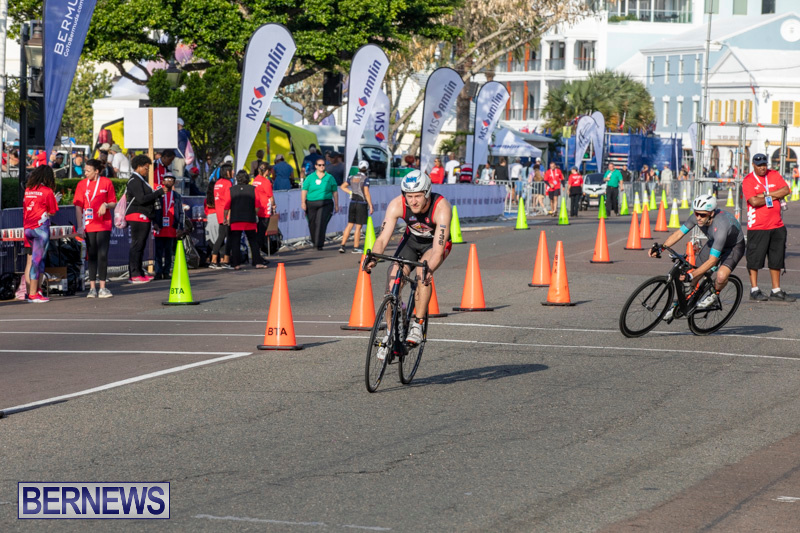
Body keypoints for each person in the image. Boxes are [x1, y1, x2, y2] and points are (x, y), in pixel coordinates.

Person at [364, 171, 452, 347]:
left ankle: (418, 324)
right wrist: (373, 257)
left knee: (422, 271)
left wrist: (430, 269)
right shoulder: (397, 204)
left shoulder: (441, 208)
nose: (413, 201)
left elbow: (437, 250)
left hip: (434, 245)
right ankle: (390, 333)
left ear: (427, 193)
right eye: (409, 196)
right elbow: (382, 239)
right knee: (392, 281)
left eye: (418, 196)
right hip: (411, 242)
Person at [651, 194, 746, 321]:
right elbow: (679, 233)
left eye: (702, 215)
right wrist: (661, 247)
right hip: (714, 242)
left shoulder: (721, 226)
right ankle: (678, 305)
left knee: (721, 276)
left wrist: (692, 275)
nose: (698, 218)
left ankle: (714, 294)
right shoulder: (696, 217)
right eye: (696, 213)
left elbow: (712, 261)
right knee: (692, 277)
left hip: (733, 247)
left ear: (711, 214)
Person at [742, 153, 795, 302]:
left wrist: (764, 194)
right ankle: (754, 289)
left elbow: (786, 190)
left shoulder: (774, 174)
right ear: (753, 165)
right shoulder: (748, 180)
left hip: (777, 225)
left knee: (776, 258)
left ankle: (776, 290)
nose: (762, 168)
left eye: (764, 165)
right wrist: (774, 195)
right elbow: (754, 201)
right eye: (759, 165)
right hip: (758, 226)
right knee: (754, 259)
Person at [74, 159, 117, 297]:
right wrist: (80, 226)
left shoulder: (106, 182)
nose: (85, 173)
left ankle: (102, 287)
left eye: (88, 171)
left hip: (104, 224)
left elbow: (113, 202)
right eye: (85, 170)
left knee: (103, 254)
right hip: (88, 224)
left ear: (96, 171)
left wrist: (106, 205)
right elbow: (78, 207)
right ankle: (92, 288)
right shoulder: (81, 184)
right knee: (92, 255)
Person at [125, 155, 164, 283]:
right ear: (139, 167)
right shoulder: (135, 180)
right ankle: (134, 274)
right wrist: (158, 193)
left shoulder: (140, 180)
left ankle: (139, 272)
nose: (147, 171)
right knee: (137, 245)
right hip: (137, 215)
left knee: (140, 246)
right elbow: (141, 199)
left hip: (143, 215)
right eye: (146, 168)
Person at [23, 166, 59, 303]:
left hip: (28, 228)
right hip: (40, 229)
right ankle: (33, 294)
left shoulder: (28, 190)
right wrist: (55, 201)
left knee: (37, 261)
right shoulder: (47, 191)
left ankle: (36, 291)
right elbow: (52, 211)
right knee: (37, 261)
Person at [225, 170, 267, 270]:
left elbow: (226, 206)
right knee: (253, 241)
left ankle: (236, 264)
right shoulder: (253, 189)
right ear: (247, 179)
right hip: (249, 218)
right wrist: (254, 214)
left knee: (235, 241)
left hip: (236, 218)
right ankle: (257, 262)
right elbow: (257, 206)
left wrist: (224, 217)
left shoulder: (231, 190)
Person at [152, 173, 186, 279]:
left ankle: (166, 272)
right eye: (167, 179)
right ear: (163, 181)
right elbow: (152, 210)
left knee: (168, 251)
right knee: (158, 251)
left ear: (174, 182)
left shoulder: (176, 196)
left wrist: (180, 227)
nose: (169, 181)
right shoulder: (158, 194)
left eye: (171, 180)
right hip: (160, 227)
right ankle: (158, 272)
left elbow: (181, 212)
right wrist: (154, 223)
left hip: (171, 228)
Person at [302, 157, 339, 250]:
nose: (322, 166)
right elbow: (304, 190)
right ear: (316, 166)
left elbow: (335, 191)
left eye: (323, 165)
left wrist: (336, 204)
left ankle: (319, 244)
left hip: (325, 203)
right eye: (319, 165)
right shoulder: (310, 177)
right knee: (312, 223)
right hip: (311, 203)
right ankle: (314, 241)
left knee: (320, 222)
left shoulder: (330, 177)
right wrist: (303, 202)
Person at [339, 160, 373, 254]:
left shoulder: (352, 177)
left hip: (353, 202)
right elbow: (366, 193)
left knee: (350, 224)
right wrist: (370, 205)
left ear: (358, 168)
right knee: (358, 226)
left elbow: (342, 186)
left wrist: (350, 192)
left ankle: (342, 245)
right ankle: (356, 247)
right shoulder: (365, 179)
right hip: (361, 203)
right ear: (367, 169)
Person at [210, 163, 234, 269]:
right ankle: (222, 260)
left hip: (219, 212)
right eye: (231, 170)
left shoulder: (217, 182)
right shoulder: (228, 183)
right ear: (227, 172)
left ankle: (216, 260)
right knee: (227, 237)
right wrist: (229, 215)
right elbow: (229, 200)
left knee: (221, 236)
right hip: (226, 213)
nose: (233, 172)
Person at [252, 162, 275, 258]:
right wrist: (273, 206)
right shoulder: (266, 181)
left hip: (256, 208)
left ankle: (256, 253)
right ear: (266, 171)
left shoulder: (255, 180)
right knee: (262, 233)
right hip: (265, 209)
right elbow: (270, 196)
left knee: (257, 232)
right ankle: (257, 255)